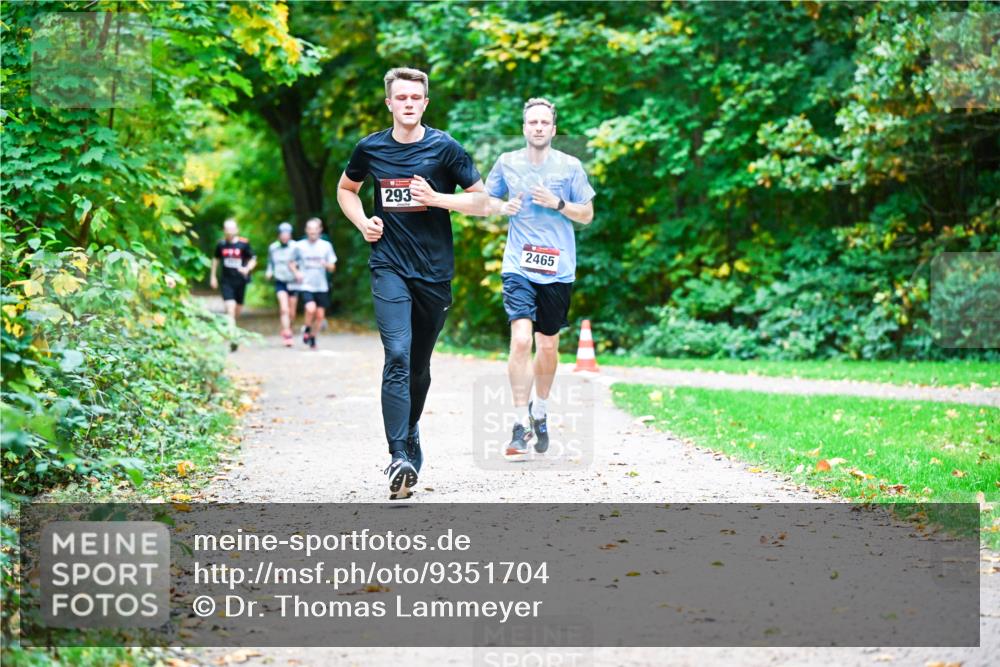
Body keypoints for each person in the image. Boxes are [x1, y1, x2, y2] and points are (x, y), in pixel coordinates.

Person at [336, 66, 486, 500]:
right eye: (399, 97)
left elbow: (482, 199)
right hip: (389, 266)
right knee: (397, 355)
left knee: (418, 367)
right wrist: (363, 221)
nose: (407, 103)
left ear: (424, 102)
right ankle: (398, 454)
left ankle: (411, 427)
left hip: (435, 273)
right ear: (389, 103)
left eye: (414, 98)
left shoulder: (444, 148)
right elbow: (347, 189)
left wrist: (438, 199)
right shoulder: (370, 147)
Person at [484, 98, 596, 460]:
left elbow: (587, 215)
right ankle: (519, 423)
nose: (537, 127)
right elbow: (485, 202)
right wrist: (503, 207)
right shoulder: (507, 163)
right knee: (520, 340)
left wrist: (558, 204)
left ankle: (540, 411)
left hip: (558, 269)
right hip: (518, 265)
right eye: (531, 121)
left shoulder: (570, 166)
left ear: (553, 128)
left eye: (544, 122)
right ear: (524, 127)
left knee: (547, 346)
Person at [288, 218, 337, 350]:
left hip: (321, 285)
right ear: (306, 230)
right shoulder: (299, 245)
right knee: (310, 308)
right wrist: (296, 272)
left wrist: (326, 265)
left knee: (320, 316)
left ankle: (312, 336)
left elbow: (332, 267)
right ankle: (307, 328)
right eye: (310, 229)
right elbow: (291, 263)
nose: (312, 232)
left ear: (320, 230)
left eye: (315, 229)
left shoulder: (326, 246)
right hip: (306, 284)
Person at [209, 217, 256, 352]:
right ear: (224, 230)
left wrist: (247, 269)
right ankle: (233, 337)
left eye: (232, 228)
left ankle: (233, 329)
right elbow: (216, 260)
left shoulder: (244, 244)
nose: (229, 231)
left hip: (241, 281)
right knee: (230, 309)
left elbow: (253, 259)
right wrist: (213, 276)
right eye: (227, 229)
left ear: (236, 230)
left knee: (237, 311)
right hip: (226, 281)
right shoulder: (221, 245)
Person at [265, 221, 299, 347]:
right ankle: (287, 334)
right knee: (284, 309)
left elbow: (301, 262)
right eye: (282, 234)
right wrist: (269, 272)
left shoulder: (296, 247)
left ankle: (288, 328)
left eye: (287, 234)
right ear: (279, 235)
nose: (285, 236)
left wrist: (298, 271)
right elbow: (270, 263)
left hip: (293, 281)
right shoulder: (273, 247)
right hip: (280, 281)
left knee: (292, 313)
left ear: (290, 235)